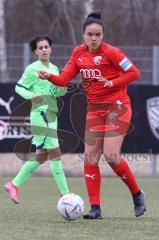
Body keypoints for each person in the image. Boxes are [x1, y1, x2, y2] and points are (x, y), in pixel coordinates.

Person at [39, 12, 146, 219]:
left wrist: (112, 83)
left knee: (112, 156)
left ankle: (137, 194)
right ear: (84, 35)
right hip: (95, 109)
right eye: (90, 34)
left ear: (103, 36)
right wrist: (49, 76)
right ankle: (95, 208)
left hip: (117, 107)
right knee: (90, 157)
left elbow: (134, 73)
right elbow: (63, 80)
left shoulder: (112, 52)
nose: (94, 38)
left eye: (98, 34)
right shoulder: (78, 54)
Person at [5, 36, 69, 204]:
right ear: (35, 51)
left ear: (50, 49)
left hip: (51, 115)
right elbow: (19, 87)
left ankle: (14, 185)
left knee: (41, 156)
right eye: (40, 48)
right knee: (55, 154)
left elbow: (57, 92)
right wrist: (31, 95)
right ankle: (65, 194)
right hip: (41, 116)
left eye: (46, 46)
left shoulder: (55, 68)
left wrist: (62, 89)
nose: (44, 50)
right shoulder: (32, 69)